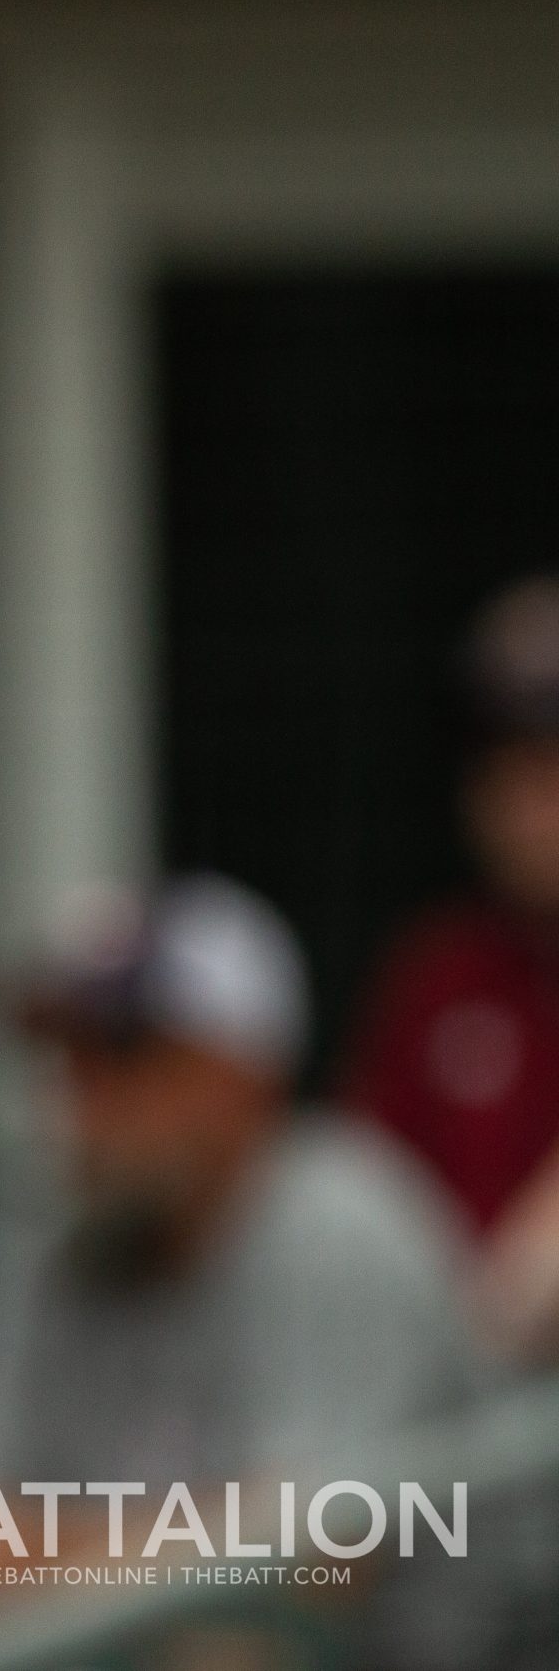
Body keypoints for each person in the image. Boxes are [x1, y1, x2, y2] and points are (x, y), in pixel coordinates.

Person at [0, 876, 481, 1667]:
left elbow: (309, 1564)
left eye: (122, 1053)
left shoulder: (339, 1221)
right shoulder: (36, 1231)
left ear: (244, 1074)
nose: (81, 1096)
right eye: (64, 1053)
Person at [348, 575, 559, 1363]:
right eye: (503, 771)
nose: (529, 807)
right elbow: (366, 1215)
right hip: (447, 1416)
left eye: (550, 768)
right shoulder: (440, 971)